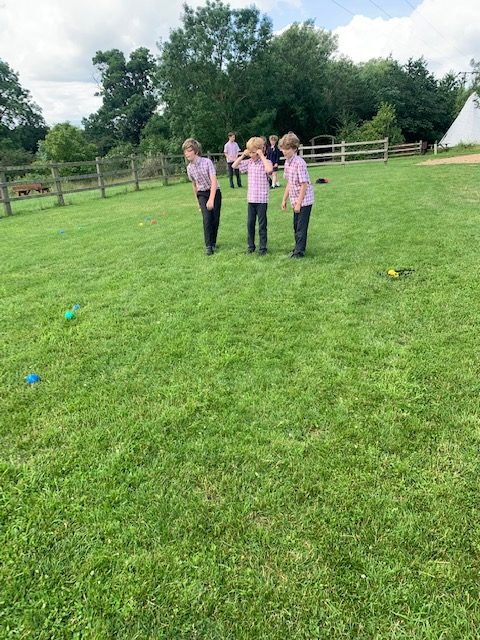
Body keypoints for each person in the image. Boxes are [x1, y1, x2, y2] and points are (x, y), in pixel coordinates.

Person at [232, 137, 273, 255]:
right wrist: (242, 155)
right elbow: (234, 166)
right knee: (250, 224)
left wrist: (261, 155)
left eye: (253, 152)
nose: (251, 154)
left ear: (260, 150)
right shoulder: (249, 163)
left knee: (262, 225)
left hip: (262, 199)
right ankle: (251, 247)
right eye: (250, 152)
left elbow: (269, 169)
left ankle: (263, 248)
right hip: (251, 199)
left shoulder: (266, 162)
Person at [182, 138, 222, 256]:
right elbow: (194, 185)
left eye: (189, 151)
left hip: (214, 192)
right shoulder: (189, 168)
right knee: (206, 219)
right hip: (202, 194)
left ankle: (213, 242)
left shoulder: (207, 162)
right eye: (185, 151)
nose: (186, 154)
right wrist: (197, 201)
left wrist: (211, 199)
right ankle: (208, 246)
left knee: (215, 219)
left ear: (196, 151)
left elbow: (214, 181)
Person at [279, 132, 314, 259]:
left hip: (304, 200)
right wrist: (284, 199)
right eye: (283, 148)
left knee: (301, 226)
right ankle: (297, 247)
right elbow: (289, 182)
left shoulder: (300, 163)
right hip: (294, 199)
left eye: (287, 149)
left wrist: (299, 203)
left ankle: (299, 252)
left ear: (294, 148)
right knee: (295, 225)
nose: (284, 151)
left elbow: (304, 184)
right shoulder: (288, 163)